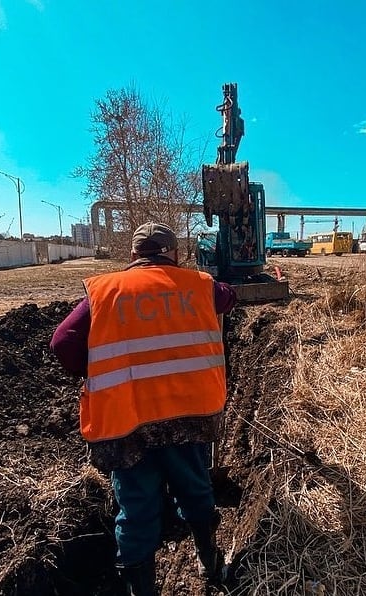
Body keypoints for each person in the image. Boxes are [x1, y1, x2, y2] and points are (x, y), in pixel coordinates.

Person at [50, 222, 236, 595]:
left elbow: (63, 341)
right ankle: (210, 565)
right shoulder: (198, 284)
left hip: (128, 422)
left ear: (132, 256)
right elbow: (228, 297)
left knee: (135, 509)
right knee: (196, 490)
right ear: (175, 255)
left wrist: (90, 371)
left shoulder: (104, 291)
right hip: (187, 416)